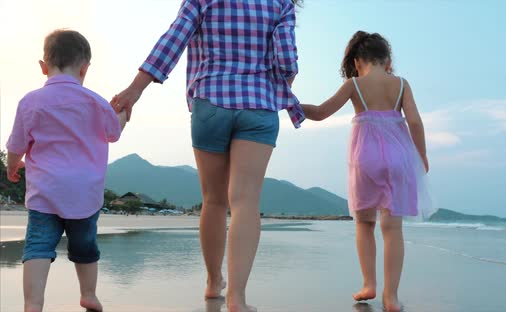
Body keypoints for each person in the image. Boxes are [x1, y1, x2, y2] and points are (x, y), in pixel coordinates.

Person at [110, 1, 303, 311]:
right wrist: (281, 82)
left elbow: (173, 40)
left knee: (213, 199)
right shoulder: (280, 3)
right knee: (245, 201)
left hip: (210, 101)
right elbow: (286, 62)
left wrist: (135, 90)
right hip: (259, 105)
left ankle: (214, 282)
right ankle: (237, 298)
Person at [301, 31, 435, 312]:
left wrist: (290, 105)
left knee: (364, 223)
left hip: (366, 158)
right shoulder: (401, 84)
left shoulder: (354, 85)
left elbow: (321, 112)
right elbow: (415, 122)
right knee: (392, 227)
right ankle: (391, 297)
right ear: (387, 61)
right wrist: (421, 155)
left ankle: (368, 284)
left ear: (358, 61)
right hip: (400, 157)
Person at [5, 29, 126, 312]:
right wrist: (121, 115)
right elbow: (113, 133)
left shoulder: (30, 101)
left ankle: (33, 304)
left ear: (43, 67)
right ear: (85, 68)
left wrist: (12, 166)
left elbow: (17, 144)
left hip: (45, 193)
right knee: (85, 247)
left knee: (37, 246)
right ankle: (88, 294)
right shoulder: (95, 102)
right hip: (84, 194)